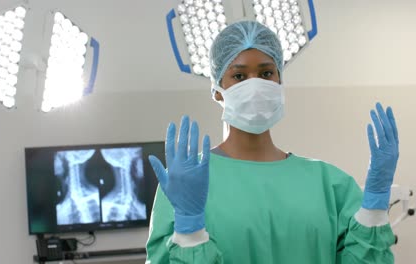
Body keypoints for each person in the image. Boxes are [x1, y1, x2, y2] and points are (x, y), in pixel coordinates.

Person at [145, 20, 399, 264]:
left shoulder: (330, 184)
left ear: (280, 82)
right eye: (240, 76)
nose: (255, 84)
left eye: (266, 73)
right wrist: (189, 234)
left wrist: (374, 208)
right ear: (217, 90)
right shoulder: (187, 183)